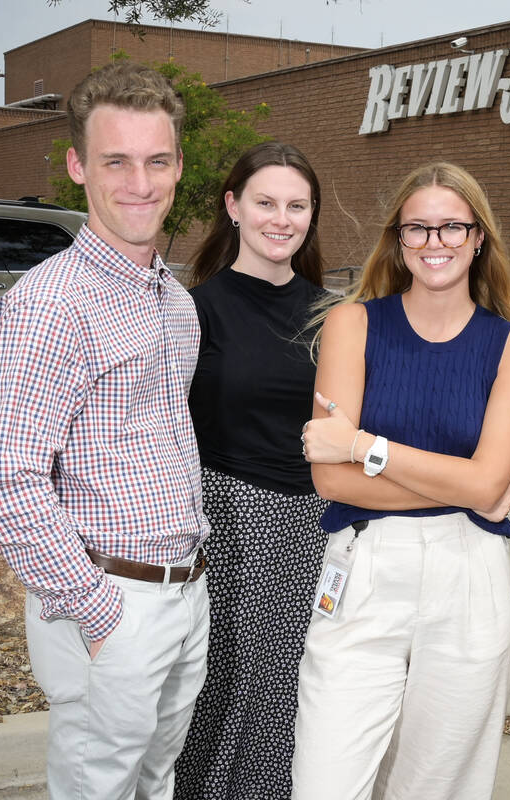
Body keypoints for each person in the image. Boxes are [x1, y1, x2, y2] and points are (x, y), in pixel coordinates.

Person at [0, 61, 209, 800]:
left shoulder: (175, 302)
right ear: (78, 166)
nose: (139, 182)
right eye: (116, 161)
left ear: (176, 167)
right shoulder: (50, 305)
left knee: (156, 783)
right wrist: (98, 611)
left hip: (183, 594)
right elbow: (7, 482)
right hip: (110, 601)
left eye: (156, 160)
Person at [296, 162, 510, 799]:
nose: (436, 243)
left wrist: (363, 446)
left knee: (437, 785)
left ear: (478, 237)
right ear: (398, 240)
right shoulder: (353, 324)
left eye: (452, 227)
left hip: (469, 573)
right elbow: (331, 480)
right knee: (325, 781)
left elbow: (484, 485)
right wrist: (466, 484)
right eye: (418, 229)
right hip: (366, 561)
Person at [171, 141, 329, 799]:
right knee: (220, 686)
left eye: (297, 205)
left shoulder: (335, 315)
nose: (282, 218)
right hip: (227, 521)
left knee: (296, 691)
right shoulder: (191, 311)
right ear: (233, 206)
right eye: (266, 202)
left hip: (317, 527)